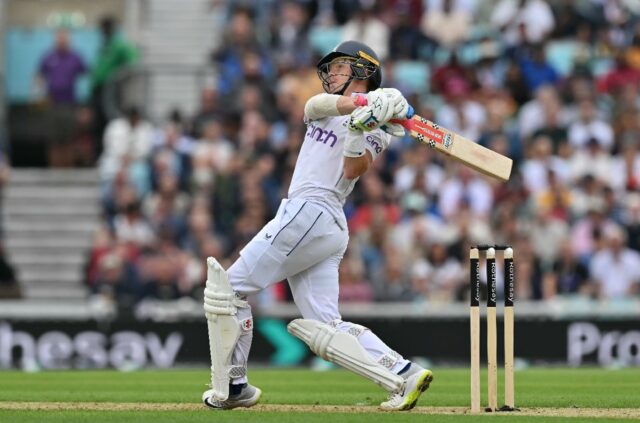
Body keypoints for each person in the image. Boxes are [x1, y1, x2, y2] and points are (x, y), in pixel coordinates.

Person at [201, 41, 433, 411]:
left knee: (227, 292)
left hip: (313, 211)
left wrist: (363, 127)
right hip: (320, 224)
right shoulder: (324, 108)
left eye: (341, 67)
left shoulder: (381, 128)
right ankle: (404, 373)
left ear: (363, 72)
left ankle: (234, 385)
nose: (332, 74)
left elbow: (353, 169)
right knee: (327, 325)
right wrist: (363, 105)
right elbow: (315, 105)